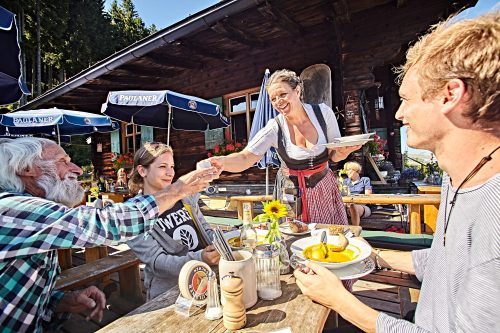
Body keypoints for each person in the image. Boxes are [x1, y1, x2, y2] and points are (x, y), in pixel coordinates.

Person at [294, 11, 499, 332]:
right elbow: (450, 261)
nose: (400, 114)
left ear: (451, 94)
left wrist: (341, 301)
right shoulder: (461, 177)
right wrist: (371, 257)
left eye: (406, 99)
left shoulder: (495, 214)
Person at [0, 137, 216, 332]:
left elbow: (16, 295)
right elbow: (102, 224)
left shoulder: (27, 219)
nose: (76, 169)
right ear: (26, 168)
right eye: (63, 161)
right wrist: (179, 188)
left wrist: (60, 300)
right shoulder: (10, 209)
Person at [206, 69, 360, 225]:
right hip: (291, 193)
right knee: (295, 240)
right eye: (273, 99)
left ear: (297, 90)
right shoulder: (275, 127)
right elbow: (246, 157)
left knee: (329, 240)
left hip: (323, 188)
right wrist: (222, 162)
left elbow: (334, 154)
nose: (278, 101)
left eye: (283, 94)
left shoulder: (323, 113)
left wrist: (343, 153)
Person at [126, 142, 220, 301]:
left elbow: (206, 232)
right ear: (142, 170)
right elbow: (158, 263)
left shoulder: (185, 199)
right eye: (163, 166)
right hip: (171, 293)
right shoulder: (133, 214)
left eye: (172, 166)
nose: (170, 173)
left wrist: (224, 242)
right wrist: (200, 258)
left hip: (207, 278)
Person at [343, 161, 373, 226]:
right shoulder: (345, 181)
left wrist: (352, 204)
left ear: (355, 170)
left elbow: (367, 198)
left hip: (363, 206)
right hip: (347, 206)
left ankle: (355, 230)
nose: (346, 172)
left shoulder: (365, 180)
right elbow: (344, 196)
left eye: (348, 170)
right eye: (346, 170)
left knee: (353, 206)